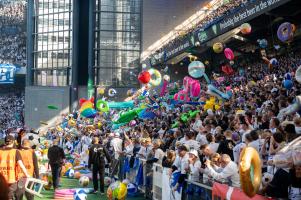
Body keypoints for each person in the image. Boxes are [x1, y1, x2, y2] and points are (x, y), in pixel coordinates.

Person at [0, 135, 29, 200]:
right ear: (13, 142)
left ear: (5, 142)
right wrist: (27, 175)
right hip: (12, 179)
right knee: (10, 195)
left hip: (2, 179)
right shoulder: (15, 151)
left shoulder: (0, 151)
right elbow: (21, 165)